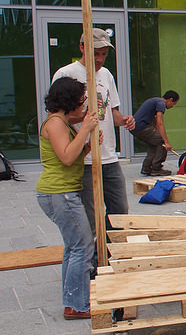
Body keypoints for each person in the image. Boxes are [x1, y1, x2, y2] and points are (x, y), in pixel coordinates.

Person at [52, 28, 136, 237]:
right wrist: (83, 121)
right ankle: (91, 261)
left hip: (108, 156)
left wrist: (124, 120)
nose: (99, 59)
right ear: (82, 47)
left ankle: (110, 252)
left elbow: (111, 112)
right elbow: (56, 118)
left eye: (103, 55)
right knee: (90, 215)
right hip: (85, 158)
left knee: (120, 210)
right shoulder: (66, 74)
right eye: (95, 53)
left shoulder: (106, 75)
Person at [36, 77, 100, 319]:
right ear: (69, 101)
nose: (83, 107)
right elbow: (65, 157)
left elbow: (71, 154)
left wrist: (86, 146)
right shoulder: (55, 124)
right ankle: (77, 305)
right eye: (82, 101)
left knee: (74, 246)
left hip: (61, 192)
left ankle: (73, 298)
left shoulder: (62, 122)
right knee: (82, 246)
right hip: (59, 194)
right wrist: (85, 129)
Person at [131, 91, 180, 176]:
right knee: (161, 141)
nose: (172, 106)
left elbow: (154, 119)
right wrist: (167, 142)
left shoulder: (156, 101)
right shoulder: (161, 103)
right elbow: (160, 122)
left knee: (154, 143)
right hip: (141, 127)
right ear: (170, 100)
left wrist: (154, 126)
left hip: (135, 127)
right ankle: (156, 168)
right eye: (173, 104)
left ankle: (147, 168)